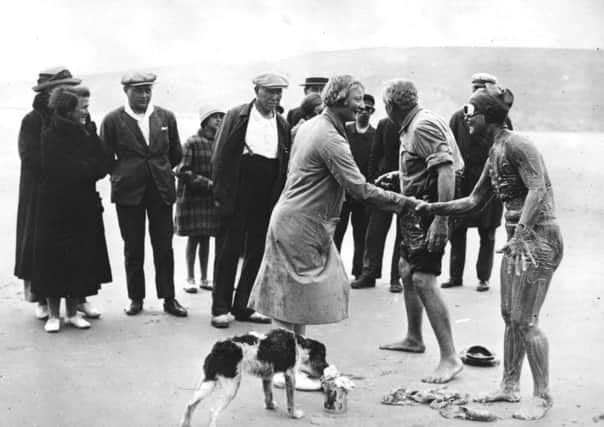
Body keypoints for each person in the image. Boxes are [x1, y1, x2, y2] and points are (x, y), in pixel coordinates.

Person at [248, 75, 414, 390]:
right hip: (301, 224)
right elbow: (359, 189)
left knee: (297, 295)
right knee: (287, 299)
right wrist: (406, 203)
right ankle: (285, 371)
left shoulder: (310, 125)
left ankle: (293, 364)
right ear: (337, 99)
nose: (362, 105)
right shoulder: (330, 137)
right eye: (357, 98)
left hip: (297, 219)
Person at [416, 85, 562, 420]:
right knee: (510, 317)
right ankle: (509, 386)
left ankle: (542, 395)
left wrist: (522, 233)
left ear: (487, 116)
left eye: (470, 113)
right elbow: (474, 201)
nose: (465, 119)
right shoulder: (495, 151)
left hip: (538, 240)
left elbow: (538, 189)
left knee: (526, 320)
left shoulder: (518, 144)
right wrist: (428, 207)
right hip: (517, 241)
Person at [376, 79, 464, 384]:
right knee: (405, 269)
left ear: (390, 106)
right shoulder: (416, 122)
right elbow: (426, 164)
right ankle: (414, 338)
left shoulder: (422, 126)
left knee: (423, 278)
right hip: (416, 208)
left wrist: (441, 218)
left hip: (430, 209)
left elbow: (446, 170)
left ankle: (450, 358)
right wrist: (401, 175)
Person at [15, 67, 102, 320]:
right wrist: (62, 170)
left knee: (80, 244)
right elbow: (29, 156)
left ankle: (81, 296)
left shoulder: (77, 113)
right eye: (61, 86)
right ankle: (40, 298)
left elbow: (90, 148)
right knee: (41, 245)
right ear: (47, 92)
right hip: (41, 191)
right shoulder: (33, 120)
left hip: (76, 190)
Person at [100, 72, 187, 317]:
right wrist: (126, 173)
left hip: (160, 189)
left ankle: (169, 298)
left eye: (148, 89)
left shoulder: (166, 117)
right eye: (138, 90)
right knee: (133, 247)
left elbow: (176, 154)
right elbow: (105, 158)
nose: (144, 95)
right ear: (125, 91)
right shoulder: (112, 120)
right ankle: (135, 298)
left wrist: (158, 170)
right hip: (128, 192)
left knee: (164, 246)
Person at [210, 73, 292, 328]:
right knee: (228, 249)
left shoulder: (282, 124)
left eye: (279, 92)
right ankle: (220, 308)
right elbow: (220, 156)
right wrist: (221, 195)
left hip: (266, 190)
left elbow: (284, 163)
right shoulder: (237, 115)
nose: (274, 97)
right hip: (238, 188)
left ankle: (244, 305)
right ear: (256, 90)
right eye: (269, 92)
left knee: (258, 249)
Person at [31, 85, 112, 332]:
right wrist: (89, 168)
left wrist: (87, 168)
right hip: (55, 207)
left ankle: (73, 311)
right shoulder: (50, 134)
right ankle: (54, 315)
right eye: (83, 107)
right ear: (68, 109)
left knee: (80, 254)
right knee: (55, 259)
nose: (87, 112)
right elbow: (61, 169)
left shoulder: (87, 131)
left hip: (82, 202)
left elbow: (104, 161)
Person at [442, 73, 512, 292]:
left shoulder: (502, 121)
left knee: (488, 233)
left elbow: (505, 151)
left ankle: (483, 277)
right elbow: (449, 150)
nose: (476, 92)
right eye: (474, 87)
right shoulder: (458, 118)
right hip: (464, 184)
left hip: (490, 185)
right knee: (457, 232)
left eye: (481, 88)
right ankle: (455, 276)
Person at [175, 107, 224, 293]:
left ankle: (204, 277)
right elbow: (182, 170)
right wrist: (208, 183)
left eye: (221, 117)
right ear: (205, 120)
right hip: (193, 197)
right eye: (215, 117)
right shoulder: (192, 142)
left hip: (211, 198)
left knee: (206, 238)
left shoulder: (220, 143)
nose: (219, 120)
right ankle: (189, 277)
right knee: (194, 237)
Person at [353, 117, 402, 292]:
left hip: (407, 183)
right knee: (375, 231)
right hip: (384, 183)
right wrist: (373, 181)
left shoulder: (416, 123)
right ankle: (369, 273)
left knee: (403, 233)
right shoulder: (385, 124)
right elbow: (375, 153)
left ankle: (396, 277)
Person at [333, 94, 376, 281]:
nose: (364, 112)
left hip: (361, 193)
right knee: (337, 233)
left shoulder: (374, 135)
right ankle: (333, 272)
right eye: (361, 108)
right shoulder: (344, 131)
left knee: (361, 235)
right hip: (342, 192)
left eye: (369, 109)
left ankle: (359, 272)